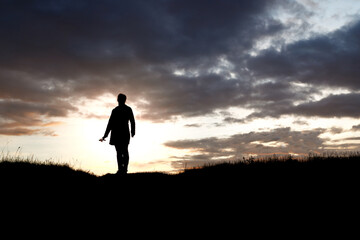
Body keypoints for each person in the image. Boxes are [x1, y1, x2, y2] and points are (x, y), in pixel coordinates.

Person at [100, 93, 135, 175]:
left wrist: (133, 131)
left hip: (122, 133)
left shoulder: (123, 110)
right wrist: (105, 135)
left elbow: (132, 121)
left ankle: (123, 169)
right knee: (120, 151)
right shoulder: (116, 110)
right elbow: (110, 123)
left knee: (122, 151)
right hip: (119, 133)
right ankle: (122, 169)